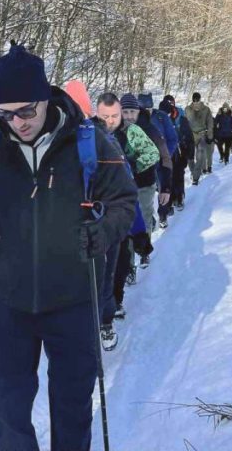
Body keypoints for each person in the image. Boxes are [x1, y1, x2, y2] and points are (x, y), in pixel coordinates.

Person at [0, 44, 137, 451]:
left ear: (45, 99)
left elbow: (123, 202)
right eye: (5, 114)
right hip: (8, 305)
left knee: (72, 411)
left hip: (75, 301)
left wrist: (104, 231)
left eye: (26, 111)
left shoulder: (89, 143)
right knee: (6, 414)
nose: (18, 122)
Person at [93, 92, 156, 327]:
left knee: (117, 259)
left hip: (128, 198)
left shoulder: (131, 132)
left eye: (117, 115)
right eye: (105, 116)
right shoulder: (88, 136)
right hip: (92, 214)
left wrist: (135, 168)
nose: (111, 120)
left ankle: (113, 305)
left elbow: (155, 152)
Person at [139, 92, 177, 228]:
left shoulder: (161, 117)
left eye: (149, 109)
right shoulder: (132, 119)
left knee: (163, 188)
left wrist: (166, 154)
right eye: (143, 110)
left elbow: (172, 138)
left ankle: (162, 215)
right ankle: (149, 218)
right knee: (144, 192)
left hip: (160, 160)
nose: (146, 112)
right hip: (142, 163)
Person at [162, 95, 194, 211]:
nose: (169, 106)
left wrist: (190, 154)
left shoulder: (181, 118)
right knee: (167, 177)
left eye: (171, 103)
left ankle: (179, 198)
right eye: (167, 103)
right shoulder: (160, 117)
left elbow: (189, 136)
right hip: (165, 152)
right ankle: (169, 202)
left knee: (179, 176)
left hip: (180, 152)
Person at [185, 92, 213, 185]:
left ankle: (196, 177)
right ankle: (194, 173)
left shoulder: (206, 109)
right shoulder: (188, 109)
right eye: (194, 100)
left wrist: (209, 135)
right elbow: (184, 123)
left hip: (202, 134)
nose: (196, 102)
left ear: (200, 100)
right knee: (189, 157)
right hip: (190, 135)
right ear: (192, 100)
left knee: (200, 156)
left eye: (197, 100)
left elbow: (210, 123)